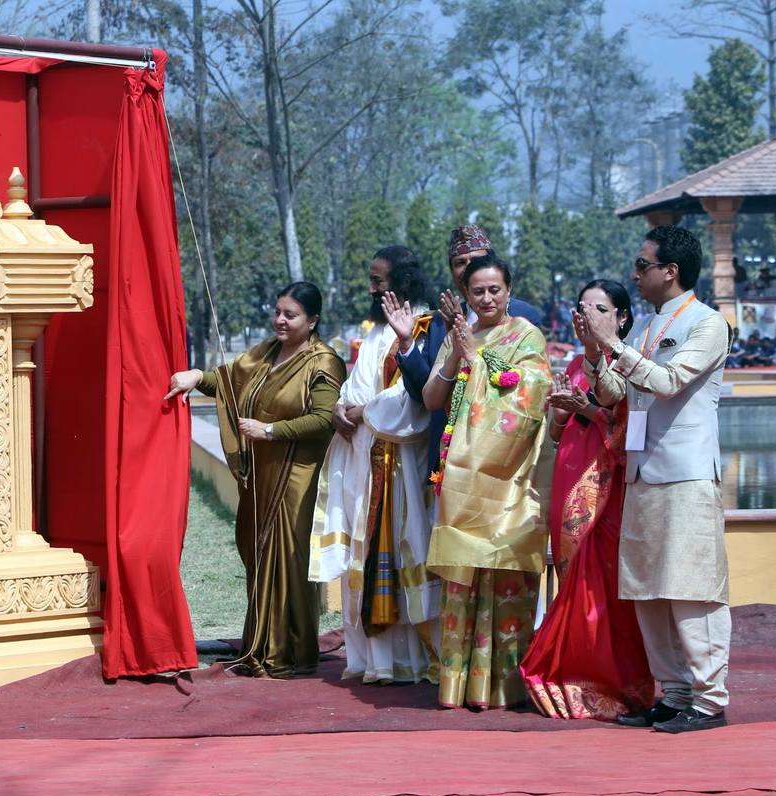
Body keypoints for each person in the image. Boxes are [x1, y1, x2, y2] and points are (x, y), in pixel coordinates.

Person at [577, 225, 732, 734]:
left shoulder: (708, 324)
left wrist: (612, 344)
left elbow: (668, 383)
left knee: (692, 588)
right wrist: (597, 352)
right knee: (650, 591)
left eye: (643, 266)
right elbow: (610, 395)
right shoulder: (644, 326)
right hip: (642, 473)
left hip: (686, 473)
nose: (635, 274)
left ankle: (709, 699)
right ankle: (676, 693)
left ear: (672, 271)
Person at [166, 282, 346, 678]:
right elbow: (230, 382)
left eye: (291, 315)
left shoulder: (324, 362)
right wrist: (196, 375)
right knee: (259, 555)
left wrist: (270, 431)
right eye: (278, 311)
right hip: (260, 476)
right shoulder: (266, 352)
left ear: (312, 321)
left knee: (288, 559)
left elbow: (323, 419)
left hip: (296, 475)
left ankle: (292, 652)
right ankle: (262, 643)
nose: (280, 320)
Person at [422, 254, 552, 710]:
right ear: (466, 295)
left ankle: (502, 684)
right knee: (463, 573)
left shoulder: (526, 335)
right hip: (462, 478)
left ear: (509, 290)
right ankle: (460, 683)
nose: (487, 298)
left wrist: (479, 360)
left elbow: (531, 394)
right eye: (478, 291)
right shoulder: (462, 335)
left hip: (508, 477)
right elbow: (432, 398)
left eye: (494, 289)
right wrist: (459, 353)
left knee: (504, 573)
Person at [519, 280, 654, 720]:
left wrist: (588, 408)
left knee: (601, 585)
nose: (589, 315)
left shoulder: (631, 366)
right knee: (568, 574)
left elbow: (625, 432)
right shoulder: (577, 361)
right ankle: (573, 672)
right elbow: (559, 433)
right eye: (583, 307)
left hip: (605, 485)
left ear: (622, 319)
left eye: (600, 308)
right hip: (570, 472)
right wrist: (561, 414)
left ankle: (611, 680)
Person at [311, 247, 438, 684]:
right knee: (359, 559)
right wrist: (341, 410)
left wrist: (365, 412)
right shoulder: (378, 332)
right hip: (363, 460)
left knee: (404, 555)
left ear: (401, 282)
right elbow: (356, 387)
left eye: (378, 281)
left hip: (400, 465)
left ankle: (408, 662)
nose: (371, 288)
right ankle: (371, 661)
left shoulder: (423, 328)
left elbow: (412, 404)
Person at [398, 224, 542, 480]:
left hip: (503, 455)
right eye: (459, 262)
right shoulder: (442, 323)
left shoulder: (525, 319)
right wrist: (408, 344)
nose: (468, 267)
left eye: (476, 260)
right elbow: (427, 396)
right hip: (451, 455)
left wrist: (473, 354)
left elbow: (529, 391)